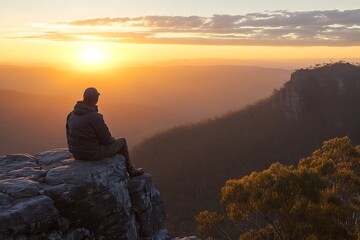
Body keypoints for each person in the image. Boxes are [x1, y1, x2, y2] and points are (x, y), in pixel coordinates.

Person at [66, 87, 144, 177]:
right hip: (90, 154)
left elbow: (68, 134)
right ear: (95, 99)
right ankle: (131, 170)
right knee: (122, 141)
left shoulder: (71, 114)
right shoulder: (95, 117)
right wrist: (113, 141)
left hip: (75, 152)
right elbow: (107, 140)